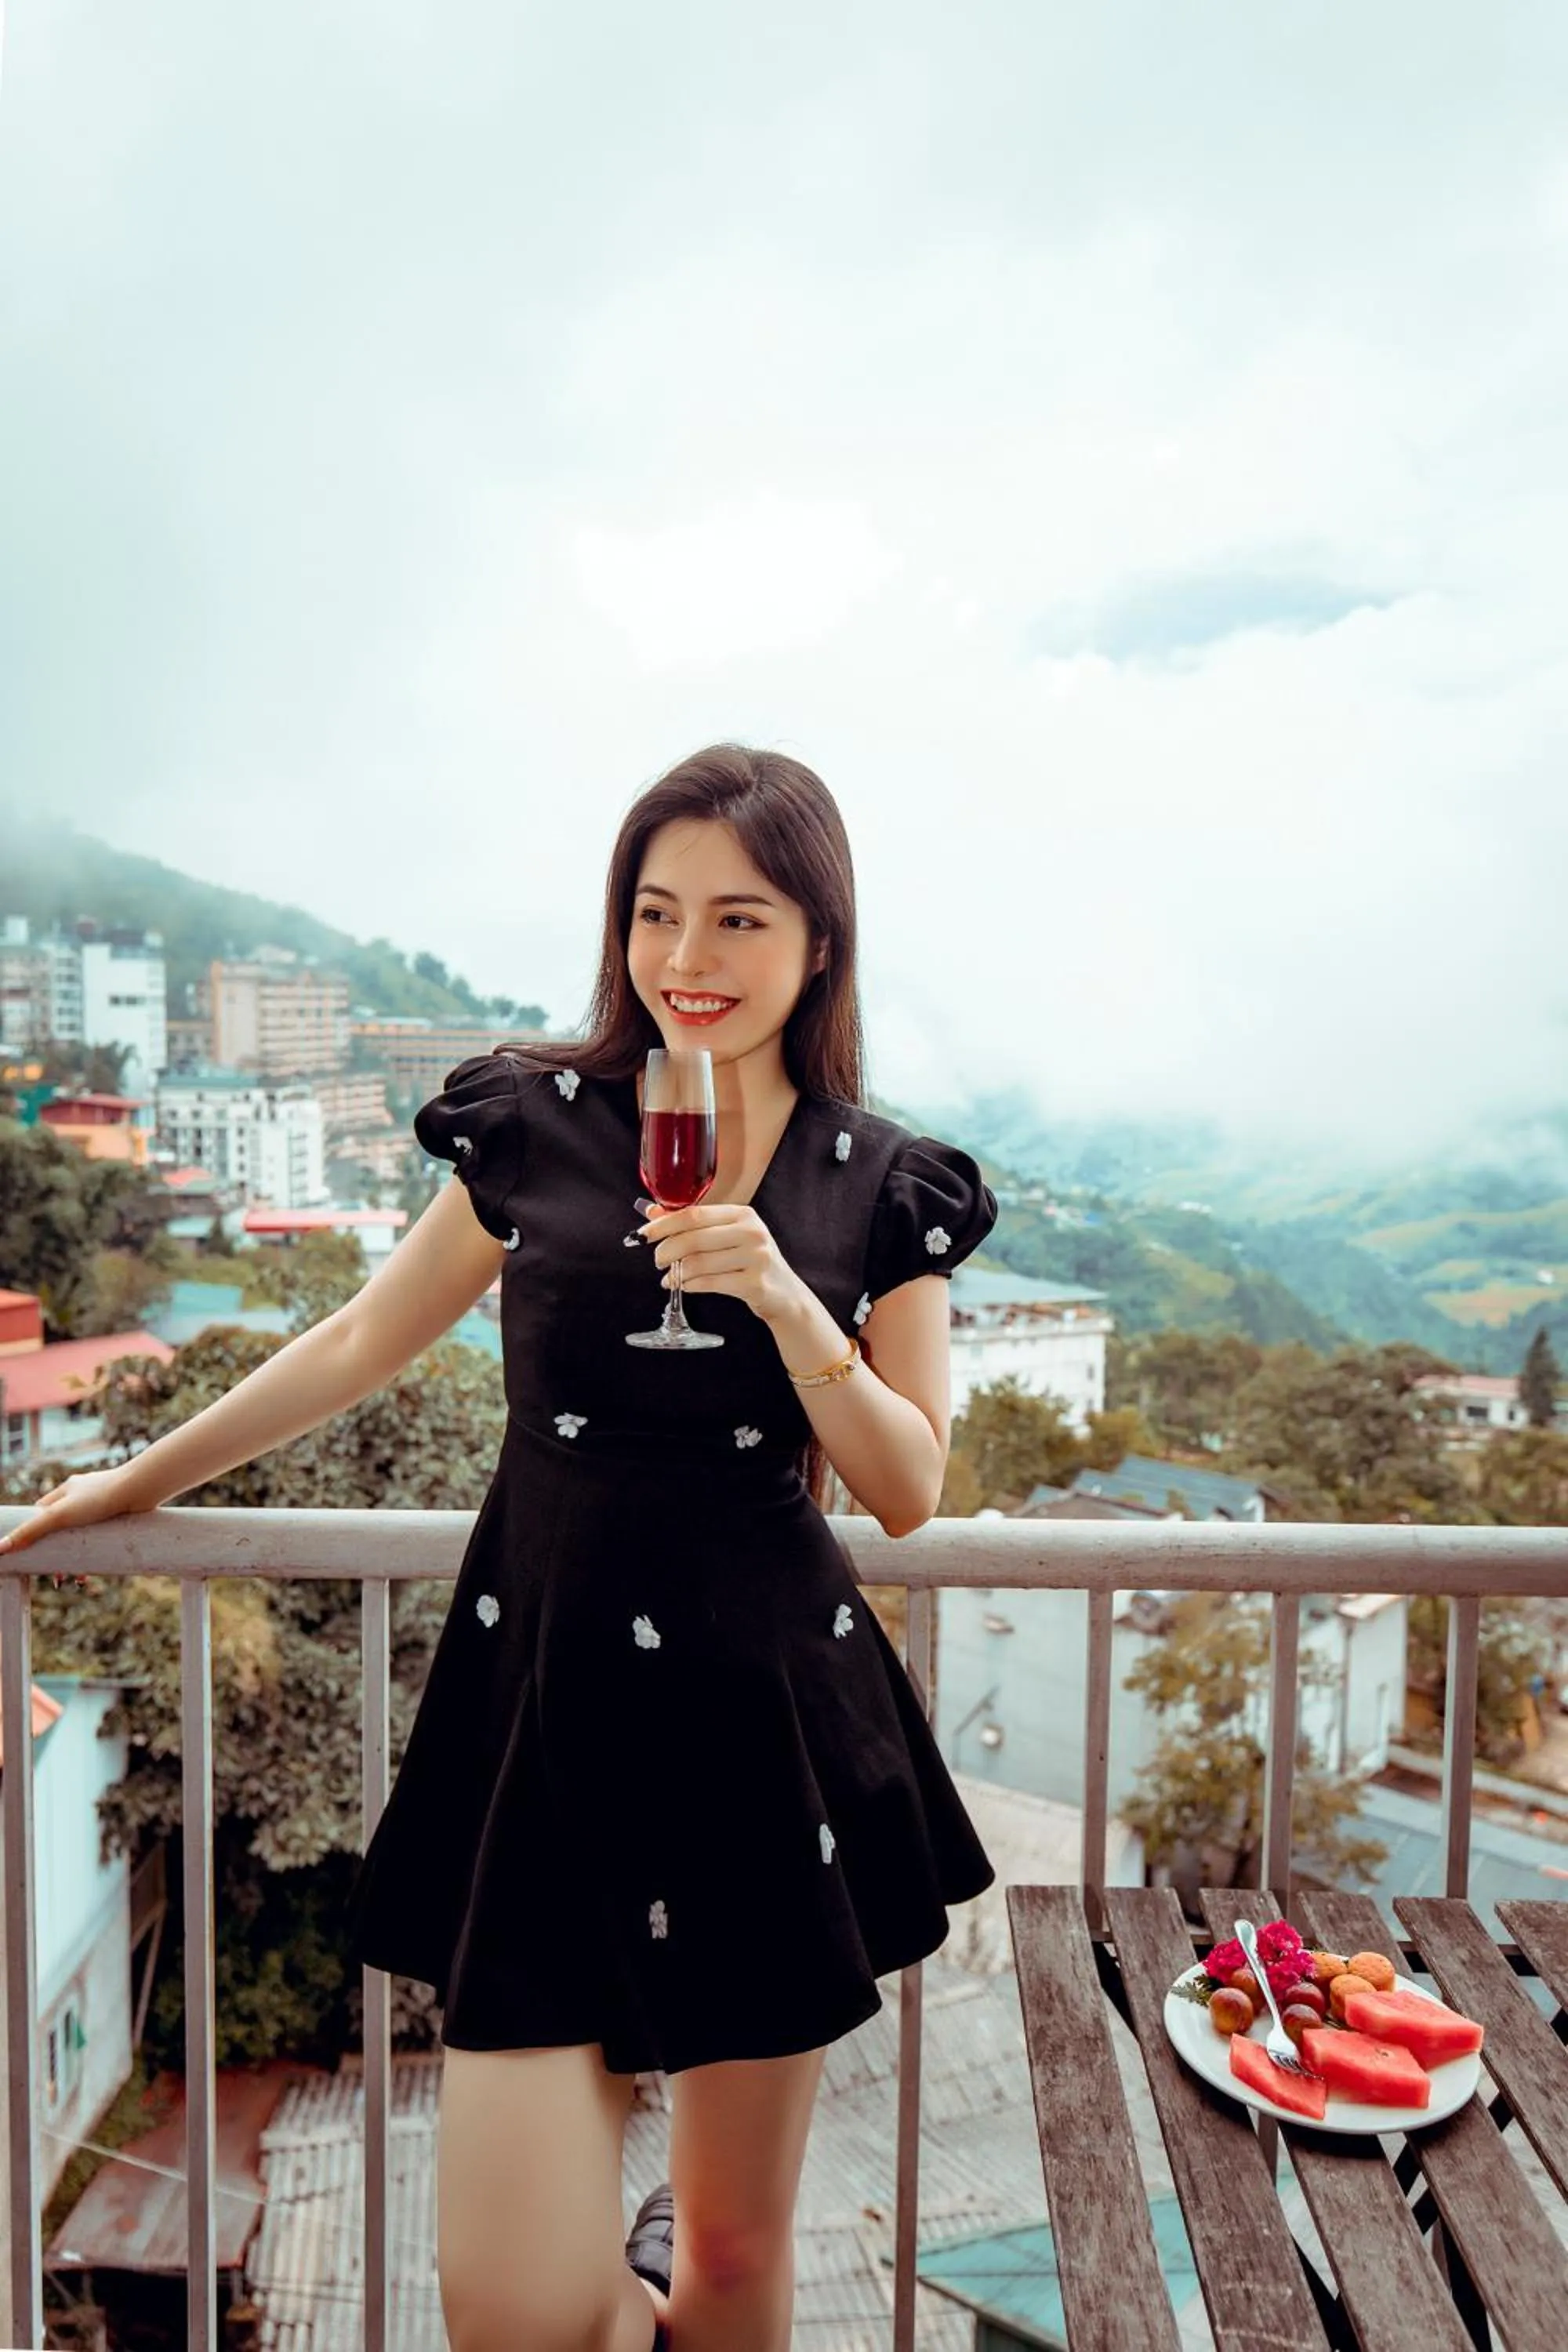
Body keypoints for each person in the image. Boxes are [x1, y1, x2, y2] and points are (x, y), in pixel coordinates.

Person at [2, 742, 1000, 2352]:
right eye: (654, 914)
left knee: (740, 2269)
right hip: (543, 1724)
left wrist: (778, 1296)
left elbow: (907, 1485)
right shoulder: (535, 1125)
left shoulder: (879, 1186)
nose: (686, 962)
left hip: (772, 1738)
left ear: (821, 941)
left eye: (739, 921)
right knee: (511, 2313)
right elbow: (355, 1346)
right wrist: (131, 1478)